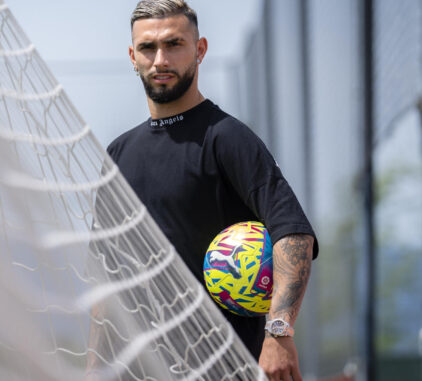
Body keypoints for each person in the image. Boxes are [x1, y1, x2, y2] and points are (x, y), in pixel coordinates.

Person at [99, 1, 319, 380]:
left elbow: (293, 233)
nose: (160, 59)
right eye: (148, 48)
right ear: (133, 57)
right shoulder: (118, 153)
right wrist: (94, 368)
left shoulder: (227, 138)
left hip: (222, 367)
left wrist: (278, 332)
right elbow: (107, 273)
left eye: (174, 44)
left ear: (199, 50)